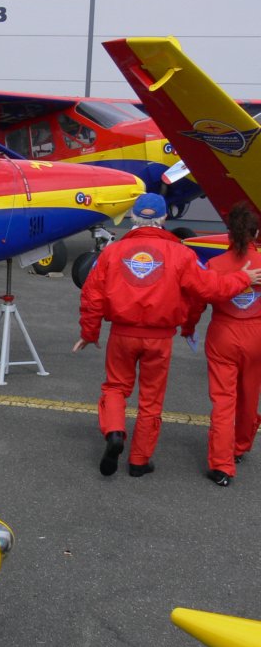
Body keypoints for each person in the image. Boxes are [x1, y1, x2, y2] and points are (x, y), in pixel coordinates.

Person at [72, 193, 261, 478]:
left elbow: (92, 295)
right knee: (151, 400)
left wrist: (89, 332)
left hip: (122, 334)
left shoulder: (111, 252)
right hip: (160, 339)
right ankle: (139, 461)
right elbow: (209, 289)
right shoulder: (182, 254)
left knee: (115, 387)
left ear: (133, 217)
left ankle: (114, 431)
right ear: (164, 218)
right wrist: (244, 279)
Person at [183, 202, 261, 487]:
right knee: (249, 395)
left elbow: (197, 301)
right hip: (257, 335)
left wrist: (189, 327)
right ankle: (240, 445)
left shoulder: (215, 265)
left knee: (223, 401)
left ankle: (221, 464)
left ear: (228, 233)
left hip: (224, 334)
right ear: (256, 234)